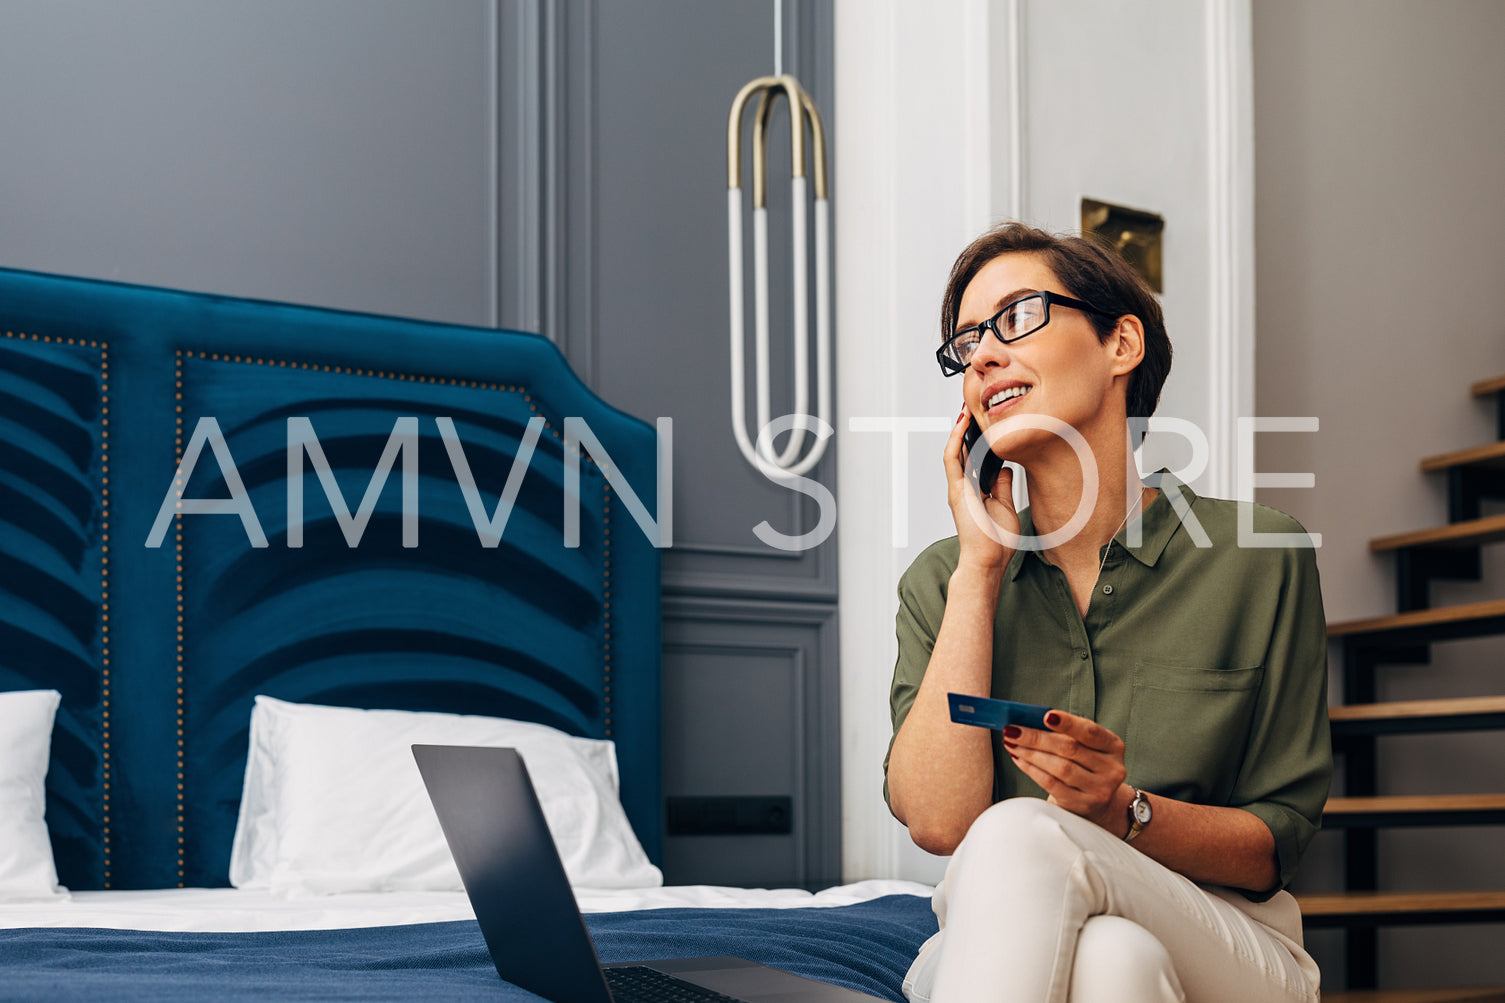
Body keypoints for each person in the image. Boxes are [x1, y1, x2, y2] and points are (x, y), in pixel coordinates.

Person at [883, 223, 1331, 1002]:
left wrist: (1121, 810)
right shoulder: (944, 579)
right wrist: (981, 570)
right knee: (1114, 960)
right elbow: (936, 822)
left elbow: (1275, 841)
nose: (982, 355)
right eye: (965, 343)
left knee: (1023, 831)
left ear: (1120, 344)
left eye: (1016, 316)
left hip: (1228, 934)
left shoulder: (1259, 557)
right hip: (1008, 928)